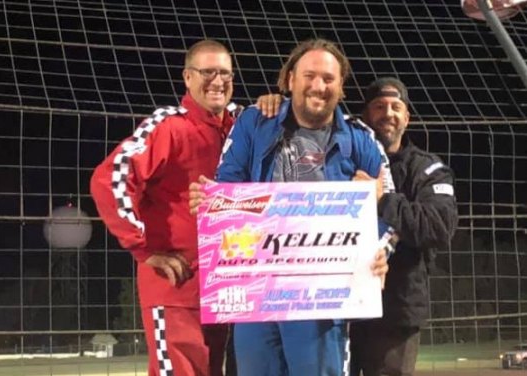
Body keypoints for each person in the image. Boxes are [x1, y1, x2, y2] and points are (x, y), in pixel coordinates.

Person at [190, 38, 391, 376]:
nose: (318, 86)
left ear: (341, 86)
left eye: (328, 79)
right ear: (289, 80)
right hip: (257, 294)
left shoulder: (361, 140)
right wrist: (212, 201)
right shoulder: (256, 121)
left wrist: (380, 247)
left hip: (323, 301)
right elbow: (228, 187)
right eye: (309, 75)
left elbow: (388, 210)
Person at [90, 39, 239, 376]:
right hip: (175, 286)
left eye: (226, 74)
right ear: (187, 77)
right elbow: (108, 178)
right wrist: (143, 249)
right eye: (208, 72)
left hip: (228, 286)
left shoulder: (240, 126)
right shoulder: (170, 125)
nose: (218, 81)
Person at [349, 77, 458, 376]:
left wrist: (384, 200)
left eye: (396, 106)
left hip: (397, 312)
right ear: (365, 116)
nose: (388, 113)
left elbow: (440, 227)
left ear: (407, 117)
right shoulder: (344, 160)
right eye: (379, 106)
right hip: (341, 305)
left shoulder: (427, 169)